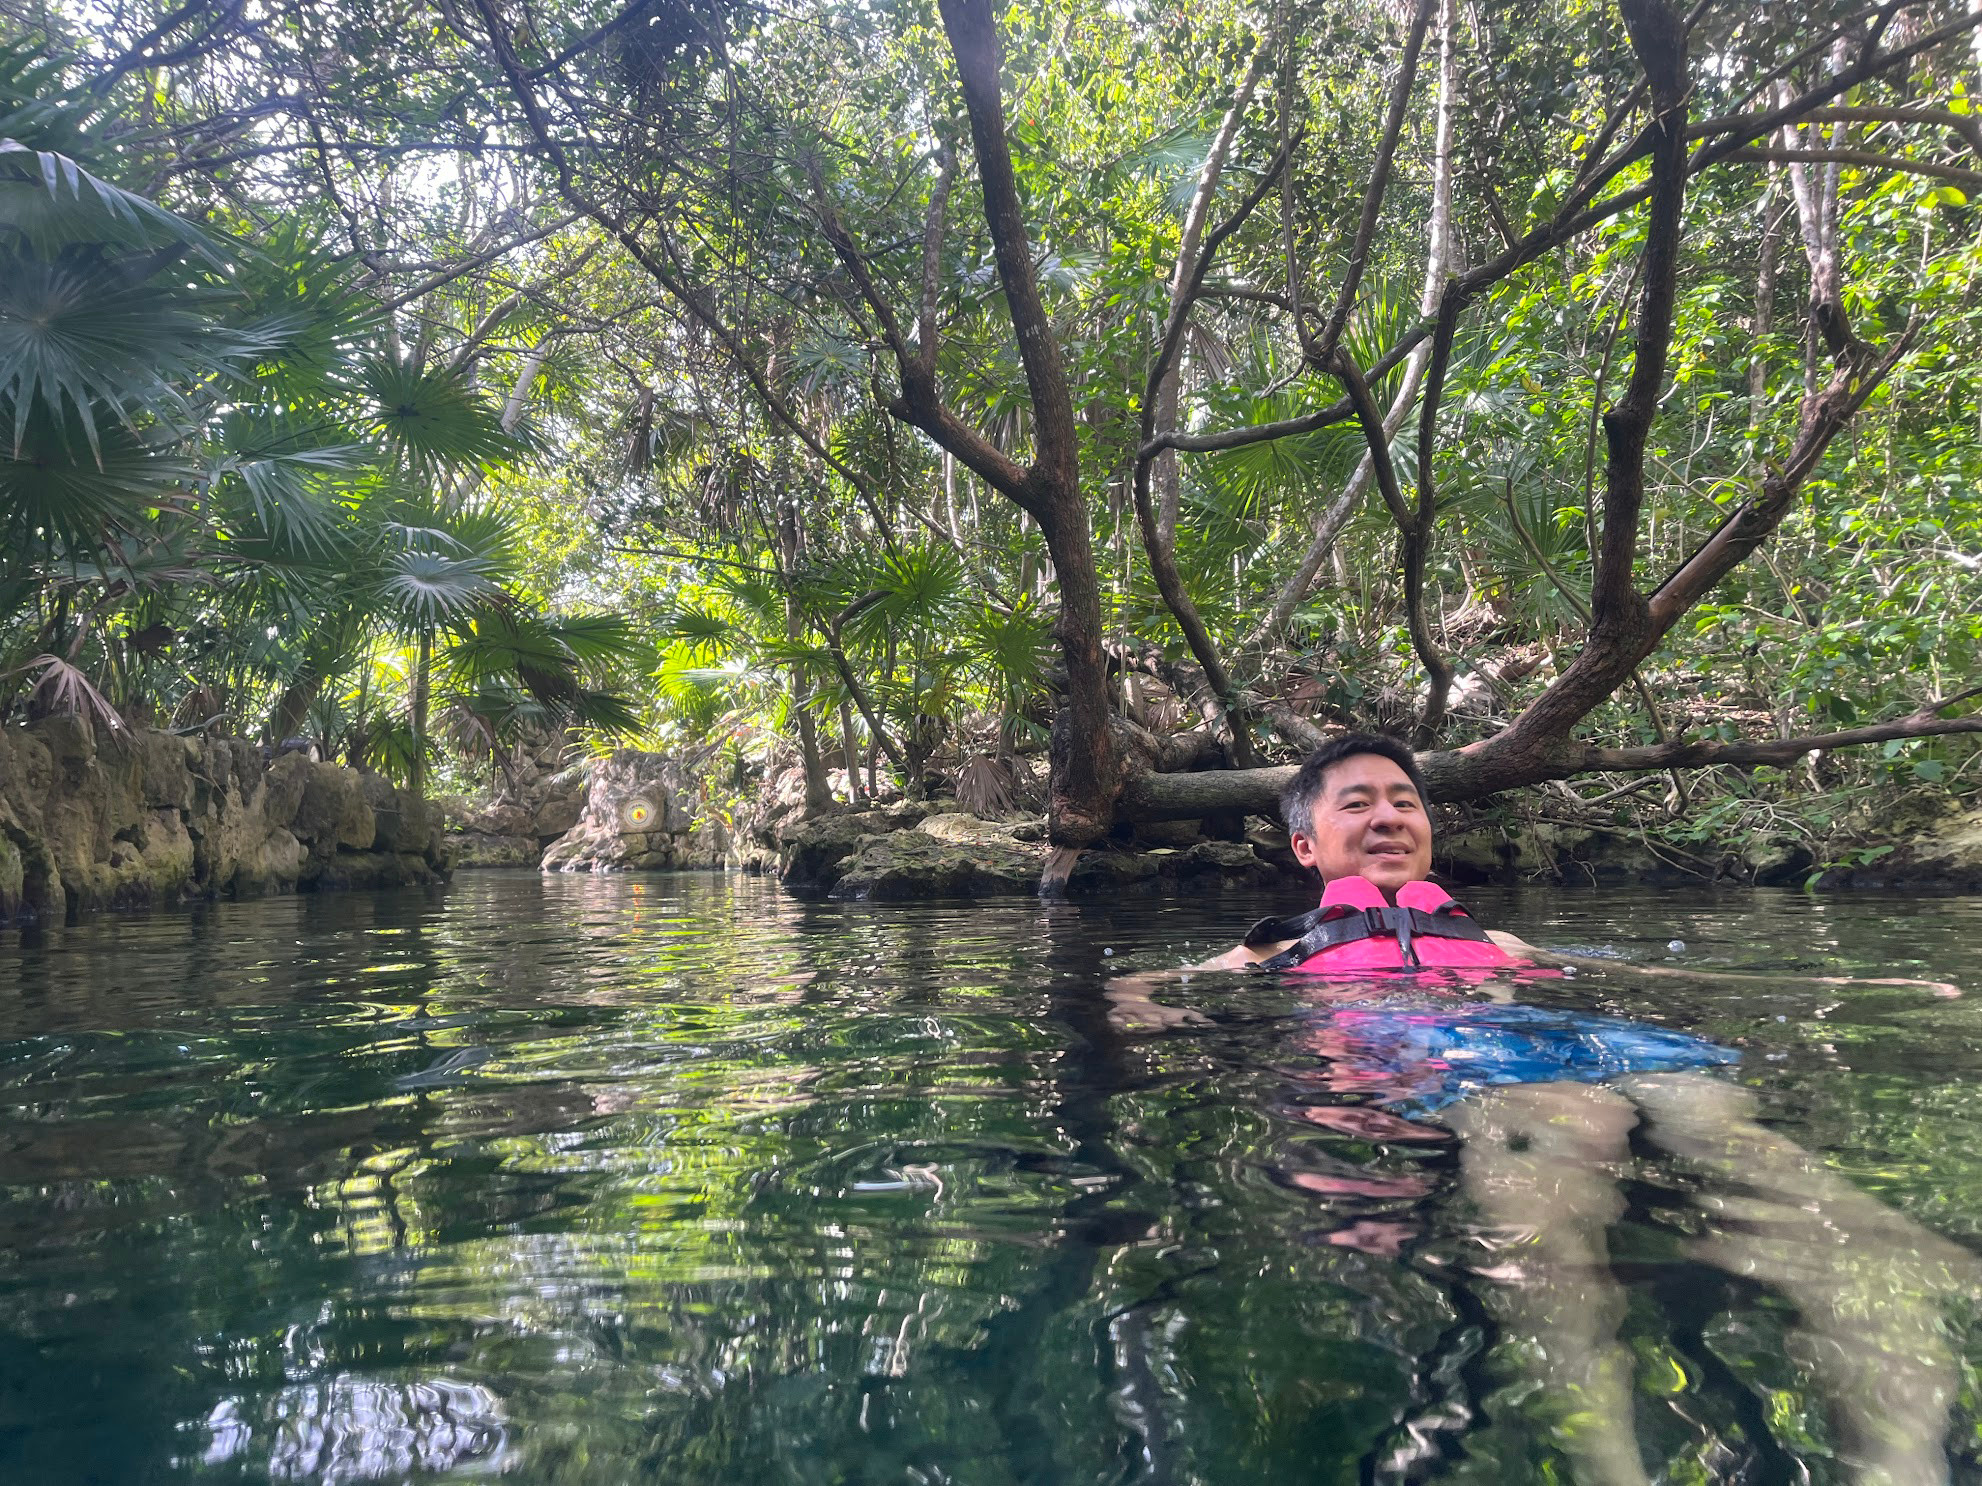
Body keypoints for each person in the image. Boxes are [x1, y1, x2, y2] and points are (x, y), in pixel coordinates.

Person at [1102, 734, 1974, 1485]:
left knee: (1726, 1127)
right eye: (1357, 803)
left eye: (1405, 801)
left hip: (1583, 1035)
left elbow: (1656, 980)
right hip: (1455, 1054)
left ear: (1429, 828)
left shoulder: (1498, 941)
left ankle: (1897, 1409)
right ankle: (1609, 1455)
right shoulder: (1279, 943)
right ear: (1306, 846)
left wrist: (1855, 980)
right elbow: (1141, 984)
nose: (1388, 817)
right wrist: (1145, 1007)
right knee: (1565, 1130)